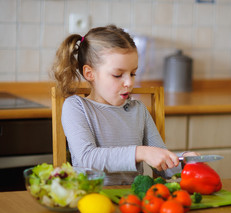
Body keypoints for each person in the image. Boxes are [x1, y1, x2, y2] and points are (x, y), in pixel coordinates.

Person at [51, 25, 198, 185]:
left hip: (133, 202)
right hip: (92, 201)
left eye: (133, 73)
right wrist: (140, 152)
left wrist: (184, 162)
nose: (129, 82)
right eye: (118, 75)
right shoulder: (76, 107)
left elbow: (162, 166)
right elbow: (86, 159)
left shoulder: (138, 110)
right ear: (89, 73)